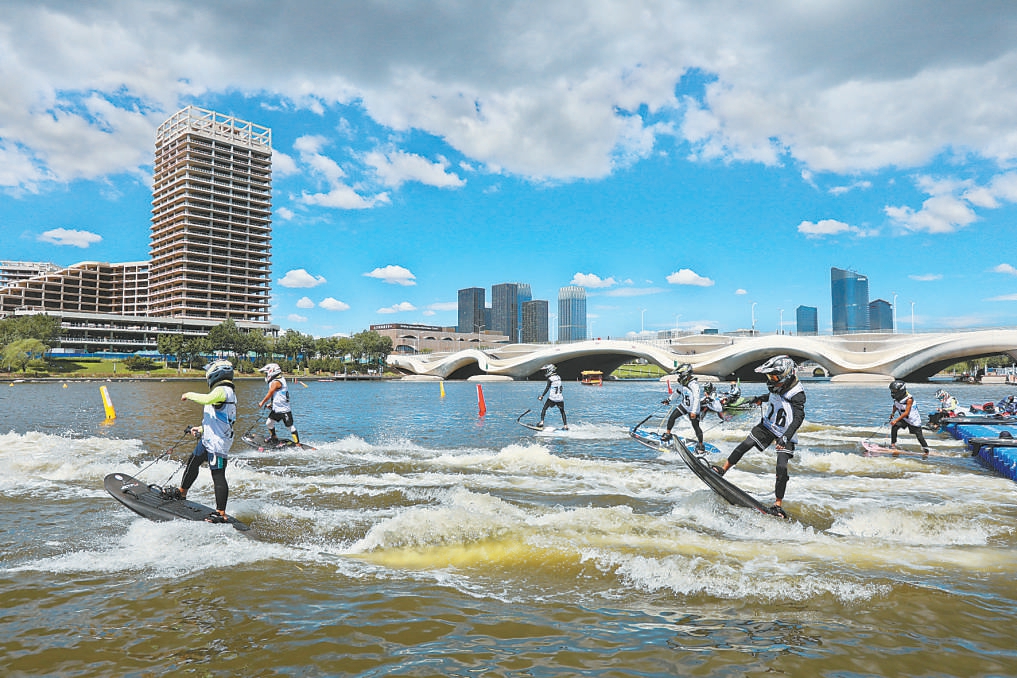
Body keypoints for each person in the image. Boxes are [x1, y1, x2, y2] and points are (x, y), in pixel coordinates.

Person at [711, 355, 805, 518]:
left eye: (774, 377)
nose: (771, 380)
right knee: (746, 444)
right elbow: (774, 397)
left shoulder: (797, 393)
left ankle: (777, 505)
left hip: (785, 432)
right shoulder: (777, 387)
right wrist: (760, 398)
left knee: (781, 467)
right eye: (769, 376)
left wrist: (785, 437)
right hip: (768, 425)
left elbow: (799, 417)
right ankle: (722, 470)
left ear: (786, 375)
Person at [162, 359, 237, 524]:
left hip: (218, 442)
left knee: (218, 475)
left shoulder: (223, 390)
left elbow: (206, 399)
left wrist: (188, 394)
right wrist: (201, 429)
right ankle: (182, 492)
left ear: (215, 374)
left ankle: (221, 513)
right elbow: (218, 419)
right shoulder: (222, 392)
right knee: (193, 462)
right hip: (208, 438)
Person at [660, 363, 706, 452]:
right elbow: (677, 393)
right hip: (684, 405)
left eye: (680, 374)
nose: (679, 377)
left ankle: (701, 445)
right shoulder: (683, 384)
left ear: (686, 374)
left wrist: (693, 411)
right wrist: (668, 400)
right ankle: (668, 434)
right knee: (672, 417)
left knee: (695, 426)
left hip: (693, 408)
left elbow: (697, 398)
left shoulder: (694, 385)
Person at [257, 362, 299, 444]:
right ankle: (274, 437)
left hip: (284, 409)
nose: (266, 375)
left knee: (290, 427)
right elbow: (278, 395)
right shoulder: (277, 380)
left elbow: (270, 393)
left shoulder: (277, 382)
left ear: (271, 372)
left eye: (266, 373)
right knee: (269, 423)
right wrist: (271, 404)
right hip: (277, 408)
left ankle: (298, 443)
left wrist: (262, 402)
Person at [888, 380, 930, 454]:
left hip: (913, 420)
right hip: (904, 419)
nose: (893, 392)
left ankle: (926, 450)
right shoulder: (897, 397)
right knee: (894, 427)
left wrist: (896, 420)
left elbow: (906, 412)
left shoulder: (909, 399)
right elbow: (895, 405)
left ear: (901, 390)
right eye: (892, 390)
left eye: (894, 390)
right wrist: (892, 413)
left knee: (919, 437)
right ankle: (893, 445)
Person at [537, 363, 568, 430]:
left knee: (544, 409)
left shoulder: (550, 379)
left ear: (550, 370)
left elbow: (547, 388)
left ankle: (541, 422)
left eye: (546, 370)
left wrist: (542, 396)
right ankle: (565, 426)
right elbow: (561, 387)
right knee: (562, 411)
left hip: (552, 398)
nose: (545, 372)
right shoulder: (559, 377)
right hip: (560, 398)